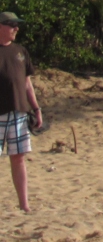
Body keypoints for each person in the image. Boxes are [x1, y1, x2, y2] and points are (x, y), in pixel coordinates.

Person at [0, 11, 41, 213]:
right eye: (12, 24)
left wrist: (36, 109)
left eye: (17, 25)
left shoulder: (20, 51)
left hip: (19, 113)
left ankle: (24, 205)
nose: (16, 28)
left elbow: (27, 83)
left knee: (18, 158)